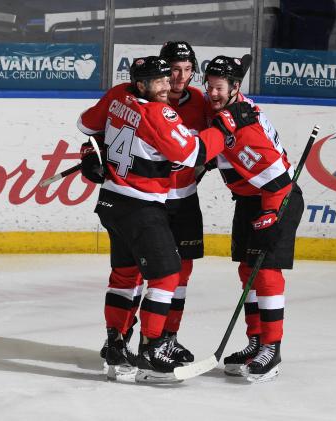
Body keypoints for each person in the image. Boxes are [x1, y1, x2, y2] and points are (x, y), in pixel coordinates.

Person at [76, 56, 258, 383]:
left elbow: (86, 126)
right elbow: (193, 154)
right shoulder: (159, 112)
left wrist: (91, 152)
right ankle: (151, 350)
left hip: (110, 201)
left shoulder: (119, 94)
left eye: (166, 79)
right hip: (141, 207)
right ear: (142, 84)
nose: (165, 86)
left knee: (124, 274)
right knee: (167, 275)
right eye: (157, 81)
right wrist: (227, 125)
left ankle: (116, 346)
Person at [202, 55, 305, 382]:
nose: (212, 93)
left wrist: (272, 214)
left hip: (278, 198)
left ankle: (271, 350)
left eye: (219, 88)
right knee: (249, 271)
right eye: (210, 86)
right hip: (250, 200)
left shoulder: (245, 129)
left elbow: (278, 182)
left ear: (235, 88)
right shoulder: (225, 114)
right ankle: (255, 342)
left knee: (266, 272)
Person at [156, 41, 209, 363]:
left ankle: (169, 337)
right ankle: (133, 337)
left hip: (185, 199)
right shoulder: (149, 100)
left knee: (182, 272)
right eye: (175, 69)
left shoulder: (200, 101)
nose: (181, 76)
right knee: (141, 271)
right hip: (151, 200)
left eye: (187, 70)